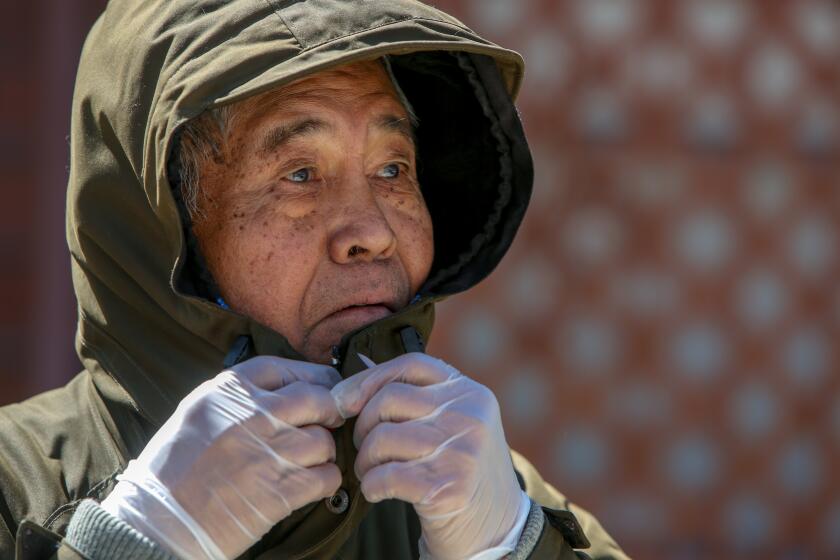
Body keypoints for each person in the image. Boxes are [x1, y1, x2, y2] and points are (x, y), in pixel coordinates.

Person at [0, 1, 629, 559]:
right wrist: (140, 543)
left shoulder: (471, 488)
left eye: (392, 168)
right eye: (300, 174)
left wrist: (512, 546)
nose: (373, 231)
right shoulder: (16, 483)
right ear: (164, 226)